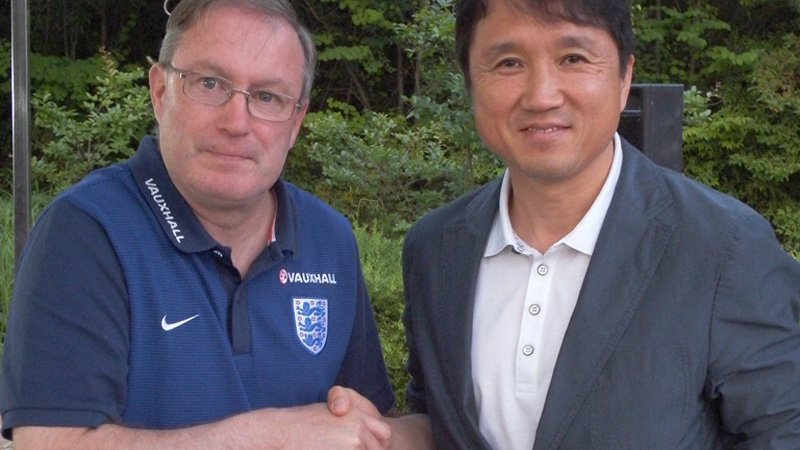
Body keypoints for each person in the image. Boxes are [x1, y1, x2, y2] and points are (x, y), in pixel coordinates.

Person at [0, 0, 408, 448]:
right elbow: (51, 443)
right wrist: (269, 436)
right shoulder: (87, 232)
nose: (237, 122)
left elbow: (367, 423)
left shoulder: (330, 239)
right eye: (210, 83)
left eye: (268, 97)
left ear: (295, 123)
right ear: (159, 91)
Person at [399, 0, 800, 448]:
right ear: (471, 82)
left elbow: (781, 433)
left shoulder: (723, 247)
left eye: (573, 58)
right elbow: (433, 418)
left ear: (624, 76)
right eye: (509, 62)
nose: (541, 96)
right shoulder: (434, 250)